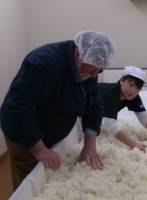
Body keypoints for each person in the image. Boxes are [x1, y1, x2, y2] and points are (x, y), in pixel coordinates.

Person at [0, 30, 115, 190]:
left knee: (49, 178)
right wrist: (39, 149)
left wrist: (89, 145)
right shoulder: (42, 64)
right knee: (31, 184)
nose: (94, 74)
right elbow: (18, 109)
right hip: (23, 133)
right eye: (92, 69)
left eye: (100, 70)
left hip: (50, 129)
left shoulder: (89, 69)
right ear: (78, 54)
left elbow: (94, 104)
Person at [98, 66, 147, 153]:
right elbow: (111, 125)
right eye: (131, 84)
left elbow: (144, 118)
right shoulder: (111, 93)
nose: (133, 90)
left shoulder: (133, 96)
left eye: (138, 88)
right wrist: (133, 144)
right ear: (122, 81)